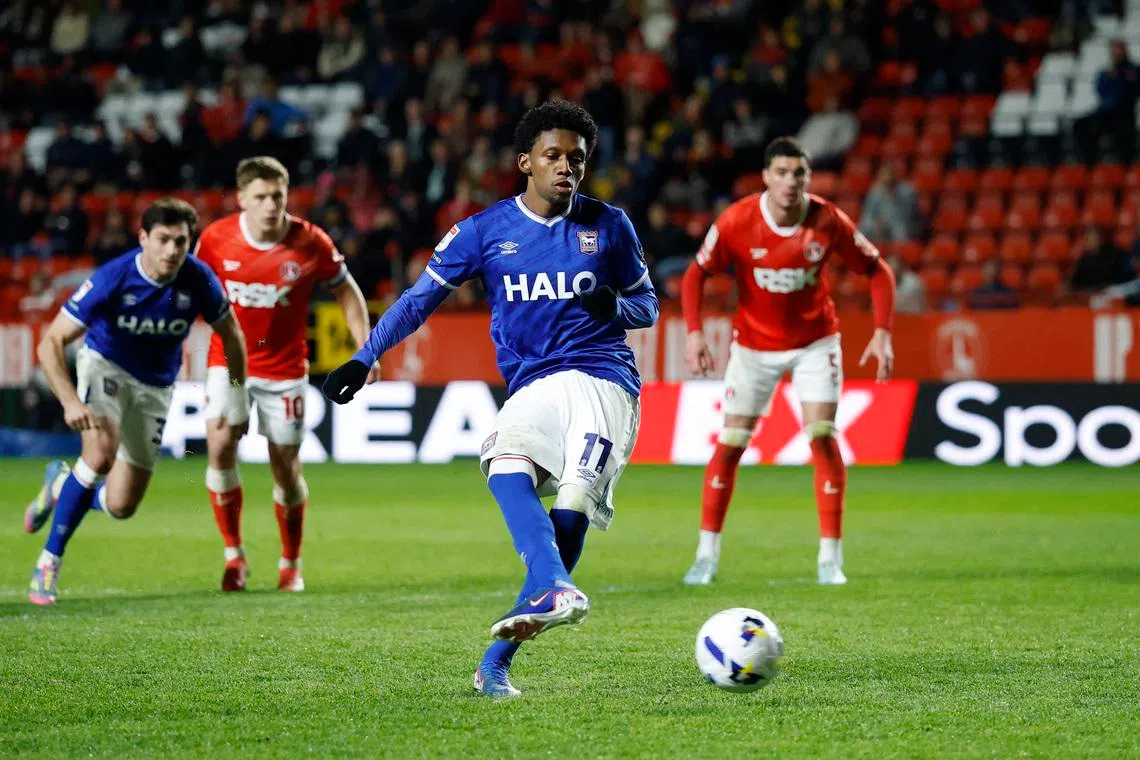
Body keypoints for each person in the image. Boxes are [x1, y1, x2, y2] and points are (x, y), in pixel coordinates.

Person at [322, 100, 658, 698]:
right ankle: (551, 584)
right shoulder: (484, 231)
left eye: (577, 159)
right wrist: (364, 354)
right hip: (534, 383)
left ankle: (496, 661)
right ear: (525, 161)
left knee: (574, 502)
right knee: (506, 462)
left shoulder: (609, 225)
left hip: (604, 378)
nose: (566, 167)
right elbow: (418, 300)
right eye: (553, 156)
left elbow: (647, 305)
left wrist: (616, 307)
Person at [680, 137, 896, 588]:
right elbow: (695, 274)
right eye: (781, 172)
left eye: (799, 173)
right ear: (766, 177)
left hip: (815, 342)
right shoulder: (737, 221)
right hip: (753, 346)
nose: (790, 181)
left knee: (822, 436)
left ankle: (830, 559)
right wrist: (695, 333)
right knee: (731, 442)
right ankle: (705, 556)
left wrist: (883, 331)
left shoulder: (827, 219)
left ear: (808, 177)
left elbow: (878, 271)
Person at [22, 199, 249, 605]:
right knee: (100, 451)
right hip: (105, 366)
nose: (172, 250)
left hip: (155, 388)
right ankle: (48, 561)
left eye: (181, 241)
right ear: (143, 238)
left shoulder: (198, 279)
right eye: (163, 239)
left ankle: (61, 485)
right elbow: (51, 342)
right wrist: (71, 401)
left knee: (121, 504)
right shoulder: (114, 277)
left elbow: (232, 337)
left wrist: (236, 396)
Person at [195, 156, 374, 593]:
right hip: (230, 365)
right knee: (220, 445)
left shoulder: (310, 241)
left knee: (286, 469)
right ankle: (234, 556)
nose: (271, 205)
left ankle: (290, 562)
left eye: (278, 195)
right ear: (242, 199)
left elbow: (347, 291)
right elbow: (189, 289)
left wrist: (365, 350)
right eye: (261, 197)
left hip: (285, 370)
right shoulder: (215, 239)